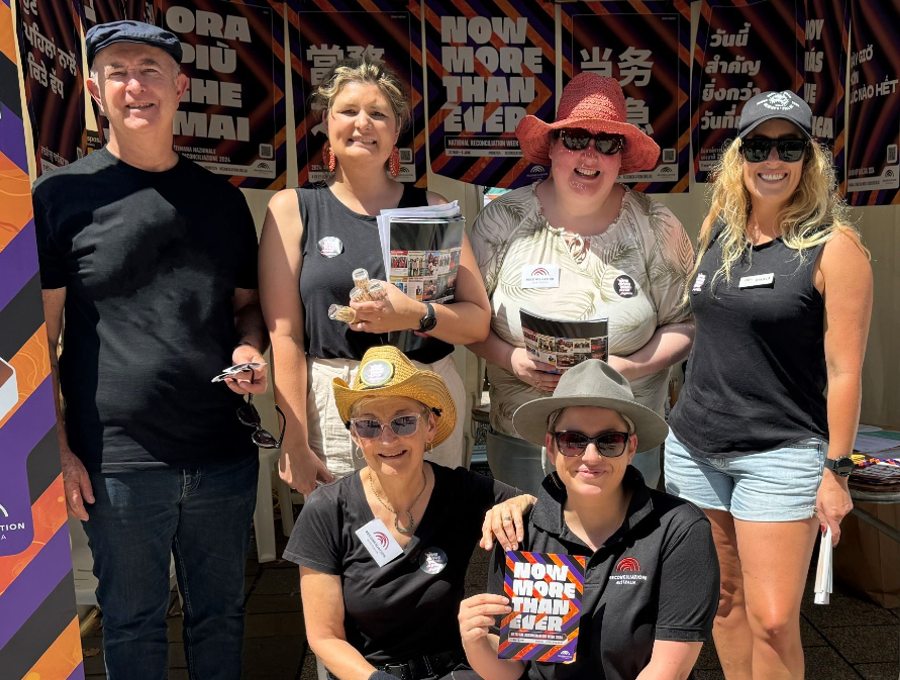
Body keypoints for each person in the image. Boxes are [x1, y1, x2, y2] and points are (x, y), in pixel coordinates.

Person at [33, 20, 268, 680]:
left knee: (220, 617)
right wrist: (56, 448)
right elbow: (36, 339)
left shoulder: (222, 203)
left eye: (150, 69)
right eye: (117, 71)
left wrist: (253, 352)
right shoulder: (59, 199)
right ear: (94, 90)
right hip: (116, 462)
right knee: (131, 624)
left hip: (221, 454)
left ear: (180, 86)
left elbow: (247, 309)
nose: (135, 84)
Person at [663, 90, 873, 680]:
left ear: (810, 160)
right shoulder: (717, 233)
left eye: (789, 146)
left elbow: (845, 371)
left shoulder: (836, 247)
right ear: (739, 155)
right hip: (694, 449)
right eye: (758, 145)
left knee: (776, 619)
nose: (771, 159)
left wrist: (837, 470)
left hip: (780, 454)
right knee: (723, 602)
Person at [259, 58, 491, 496]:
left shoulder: (431, 208)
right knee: (346, 544)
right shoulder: (293, 210)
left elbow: (477, 320)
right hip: (338, 395)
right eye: (348, 111)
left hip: (425, 392)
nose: (363, 123)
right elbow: (285, 336)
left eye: (378, 113)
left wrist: (414, 314)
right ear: (326, 123)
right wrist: (292, 435)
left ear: (396, 129)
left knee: (430, 540)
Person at [468, 73, 694, 493]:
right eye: (574, 138)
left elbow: (684, 324)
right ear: (552, 147)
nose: (589, 154)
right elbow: (466, 320)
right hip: (524, 435)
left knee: (622, 556)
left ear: (620, 157)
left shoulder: (655, 224)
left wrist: (627, 368)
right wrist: (509, 357)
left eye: (606, 143)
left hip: (625, 441)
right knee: (531, 552)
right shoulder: (502, 221)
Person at [283, 345, 534, 680]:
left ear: (430, 426)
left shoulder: (461, 492)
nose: (387, 438)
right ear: (355, 435)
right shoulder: (328, 509)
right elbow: (324, 637)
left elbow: (548, 514)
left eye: (403, 421)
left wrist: (523, 502)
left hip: (455, 668)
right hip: (371, 673)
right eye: (369, 425)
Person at [459, 360, 719, 680]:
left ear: (631, 447)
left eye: (609, 440)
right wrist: (475, 642)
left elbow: (669, 670)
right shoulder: (518, 529)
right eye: (574, 440)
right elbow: (510, 670)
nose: (591, 456)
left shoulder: (678, 528)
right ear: (552, 446)